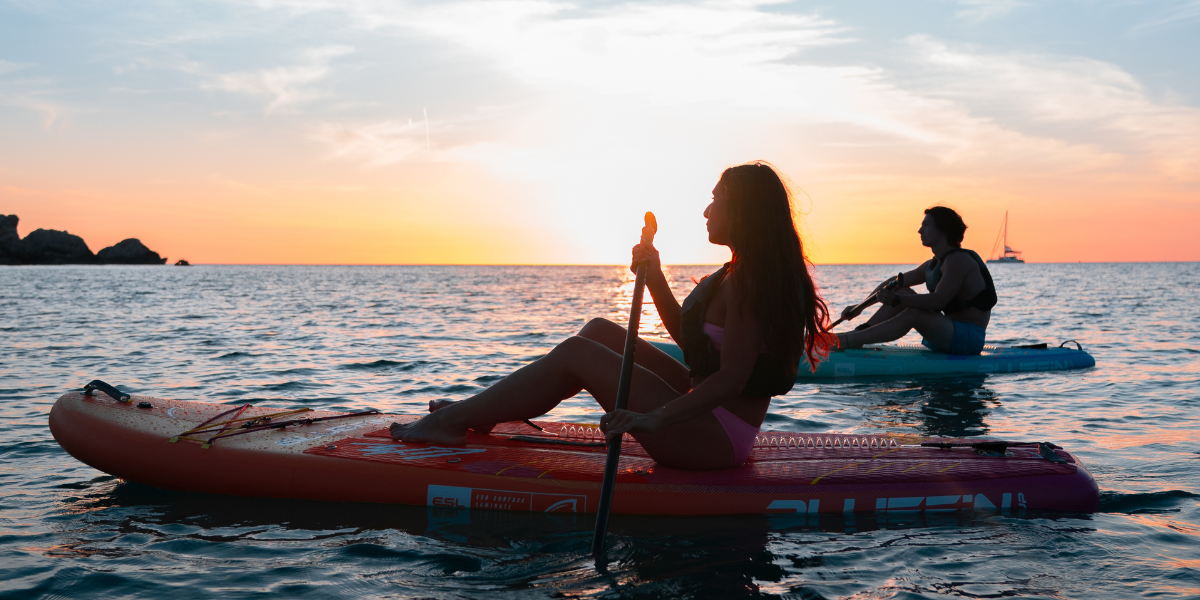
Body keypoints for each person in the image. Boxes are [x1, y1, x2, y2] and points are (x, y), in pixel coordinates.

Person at [390, 162, 832, 470]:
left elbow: (732, 379)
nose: (706, 210)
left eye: (715, 201)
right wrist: (655, 277)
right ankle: (485, 412)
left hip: (714, 439)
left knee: (577, 353)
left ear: (743, 212)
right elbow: (694, 345)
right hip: (707, 418)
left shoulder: (750, 282)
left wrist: (655, 417)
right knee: (600, 332)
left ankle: (449, 423)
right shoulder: (742, 271)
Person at [835, 206, 996, 355]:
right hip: (946, 333)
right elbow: (893, 283)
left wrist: (898, 300)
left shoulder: (958, 260)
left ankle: (848, 340)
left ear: (943, 230)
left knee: (913, 311)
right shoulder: (933, 264)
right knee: (900, 289)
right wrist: (860, 307)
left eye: (926, 225)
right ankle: (857, 334)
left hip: (968, 339)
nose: (920, 230)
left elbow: (938, 301)